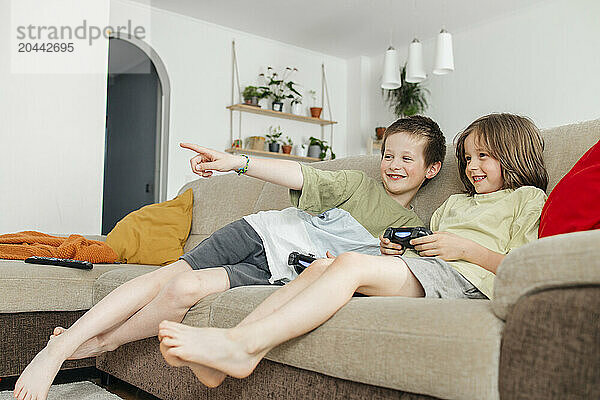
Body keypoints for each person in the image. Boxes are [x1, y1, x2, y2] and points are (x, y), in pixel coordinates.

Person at [13, 116, 446, 400]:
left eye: (407, 158)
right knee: (169, 277)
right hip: (259, 234)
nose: (393, 165)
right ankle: (60, 349)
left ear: (431, 169)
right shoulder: (357, 185)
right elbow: (299, 173)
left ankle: (103, 343)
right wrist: (237, 162)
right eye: (388, 155)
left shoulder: (413, 230)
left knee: (185, 290)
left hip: (274, 271)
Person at [155, 113, 549, 386]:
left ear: (514, 154)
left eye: (484, 156)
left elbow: (525, 267)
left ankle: (240, 348)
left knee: (348, 264)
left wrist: (465, 248)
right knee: (317, 270)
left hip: (466, 281)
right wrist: (395, 248)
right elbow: (426, 249)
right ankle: (222, 364)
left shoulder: (527, 199)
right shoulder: (455, 204)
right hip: (425, 271)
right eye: (467, 158)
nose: (472, 167)